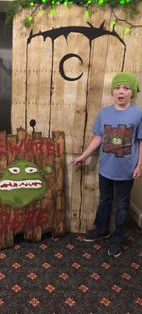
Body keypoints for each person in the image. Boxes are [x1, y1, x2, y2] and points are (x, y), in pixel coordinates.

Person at [71, 72, 142, 258]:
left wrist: (139, 165)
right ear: (113, 91)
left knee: (122, 206)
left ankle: (117, 239)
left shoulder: (139, 114)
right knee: (104, 200)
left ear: (132, 92)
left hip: (127, 170)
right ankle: (101, 229)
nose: (121, 91)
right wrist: (83, 156)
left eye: (126, 88)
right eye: (118, 88)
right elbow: (98, 137)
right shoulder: (104, 113)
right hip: (105, 168)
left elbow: (141, 141)